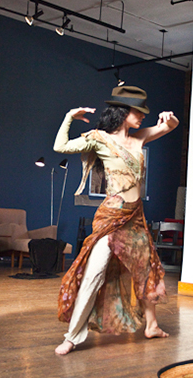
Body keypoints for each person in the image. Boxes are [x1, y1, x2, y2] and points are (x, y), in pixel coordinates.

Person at [53, 85, 179, 355]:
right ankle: (72, 337)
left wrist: (170, 119)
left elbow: (170, 127)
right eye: (138, 111)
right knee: (94, 274)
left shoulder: (139, 138)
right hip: (112, 217)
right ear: (123, 112)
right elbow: (60, 146)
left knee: (146, 270)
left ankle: (152, 326)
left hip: (135, 217)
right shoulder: (99, 138)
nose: (143, 116)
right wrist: (69, 117)